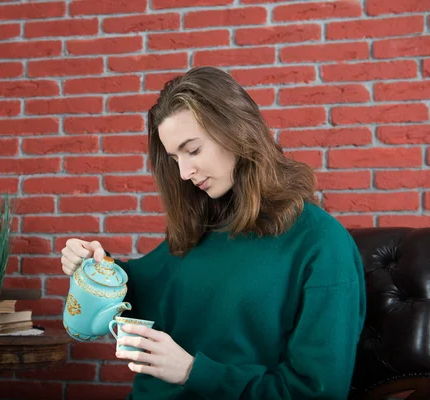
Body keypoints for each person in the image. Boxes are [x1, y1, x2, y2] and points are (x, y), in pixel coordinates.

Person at [60, 66, 366, 399]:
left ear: (237, 131)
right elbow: (137, 290)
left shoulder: (322, 245)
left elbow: (316, 393)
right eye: (175, 157)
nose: (185, 172)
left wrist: (193, 372)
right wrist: (94, 265)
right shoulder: (204, 227)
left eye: (192, 150)